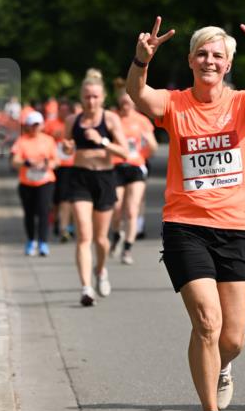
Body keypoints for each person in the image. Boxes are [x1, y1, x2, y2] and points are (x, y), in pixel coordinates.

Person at [127, 14, 245, 411]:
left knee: (231, 338)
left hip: (238, 226)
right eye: (202, 53)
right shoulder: (176, 104)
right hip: (186, 225)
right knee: (206, 322)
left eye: (217, 54)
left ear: (228, 63)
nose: (209, 60)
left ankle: (222, 365)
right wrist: (141, 61)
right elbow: (137, 95)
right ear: (190, 59)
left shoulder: (243, 104)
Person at [63, 70, 128, 306]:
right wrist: (68, 148)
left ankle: (100, 270)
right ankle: (86, 288)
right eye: (87, 96)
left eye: (95, 97)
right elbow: (66, 148)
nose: (91, 101)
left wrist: (102, 140)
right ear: (81, 97)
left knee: (101, 239)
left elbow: (125, 151)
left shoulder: (110, 119)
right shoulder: (72, 121)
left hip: (104, 178)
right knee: (83, 235)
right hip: (80, 178)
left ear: (102, 98)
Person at [109, 90, 158, 264]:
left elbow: (153, 146)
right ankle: (116, 234)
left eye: (128, 103)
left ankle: (127, 249)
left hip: (136, 167)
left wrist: (144, 152)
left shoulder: (142, 121)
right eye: (122, 103)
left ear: (134, 104)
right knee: (116, 208)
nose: (125, 106)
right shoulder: (112, 119)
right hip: (116, 166)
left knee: (131, 210)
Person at [10, 111, 59, 256]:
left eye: (38, 125)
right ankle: (31, 240)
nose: (35, 128)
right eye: (32, 125)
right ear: (28, 126)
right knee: (29, 213)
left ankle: (43, 242)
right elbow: (14, 161)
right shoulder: (22, 141)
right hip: (27, 183)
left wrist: (46, 164)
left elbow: (56, 161)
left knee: (44, 212)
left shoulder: (49, 140)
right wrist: (26, 162)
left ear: (42, 125)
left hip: (45, 181)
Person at [43, 98, 75, 241]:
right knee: (55, 198)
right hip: (55, 165)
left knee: (66, 197)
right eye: (60, 110)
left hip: (69, 165)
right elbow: (42, 139)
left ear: (69, 111)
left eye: (65, 110)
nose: (63, 113)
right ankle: (57, 221)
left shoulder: (74, 123)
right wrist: (51, 136)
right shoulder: (50, 124)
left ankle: (65, 226)